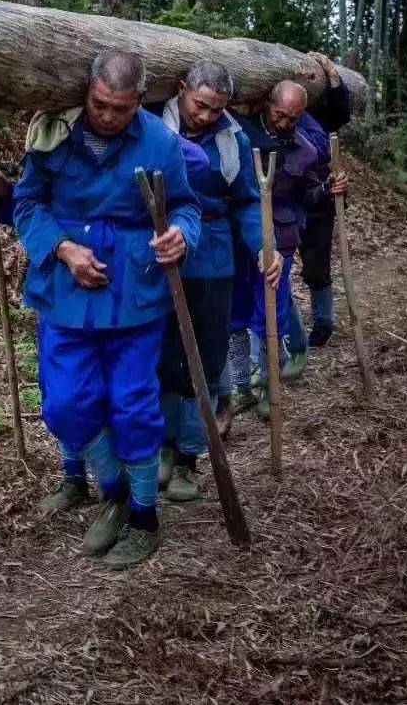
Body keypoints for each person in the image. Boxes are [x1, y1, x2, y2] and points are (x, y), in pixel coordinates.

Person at [12, 50, 201, 568]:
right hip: (66, 293)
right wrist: (63, 248)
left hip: (135, 295)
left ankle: (143, 517)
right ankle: (111, 489)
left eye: (120, 108)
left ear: (140, 100)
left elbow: (186, 205)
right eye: (100, 105)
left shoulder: (160, 142)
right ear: (88, 92)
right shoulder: (54, 134)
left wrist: (182, 234)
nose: (108, 117)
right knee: (66, 404)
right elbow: (26, 204)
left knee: (133, 404)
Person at [151, 61, 282, 501]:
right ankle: (163, 447)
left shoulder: (234, 139)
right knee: (162, 357)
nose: (206, 116)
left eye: (216, 109)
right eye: (201, 105)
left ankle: (189, 456)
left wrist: (264, 245)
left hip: (211, 256)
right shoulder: (153, 123)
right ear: (183, 89)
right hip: (158, 251)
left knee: (204, 361)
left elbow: (246, 200)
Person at [229, 81, 347, 419]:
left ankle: (266, 385)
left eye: (292, 119)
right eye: (280, 115)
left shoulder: (306, 151)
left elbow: (307, 198)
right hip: (241, 237)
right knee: (235, 313)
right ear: (268, 104)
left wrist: (326, 188)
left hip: (280, 240)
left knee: (270, 313)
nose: (284, 123)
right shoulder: (240, 135)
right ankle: (240, 387)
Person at [285, 52, 352, 360]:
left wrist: (330, 71)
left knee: (316, 260)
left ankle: (323, 322)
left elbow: (342, 110)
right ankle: (285, 329)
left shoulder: (320, 115)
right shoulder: (278, 114)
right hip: (285, 192)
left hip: (320, 194)